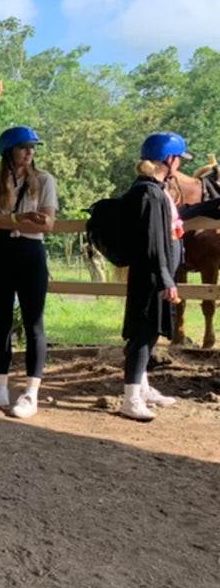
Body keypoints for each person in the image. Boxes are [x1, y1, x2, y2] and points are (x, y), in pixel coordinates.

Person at [0, 126, 57, 419]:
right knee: (1, 322)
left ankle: (30, 393)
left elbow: (46, 224)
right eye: (23, 147)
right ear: (8, 152)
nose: (29, 152)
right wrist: (19, 219)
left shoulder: (45, 180)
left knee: (34, 322)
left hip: (30, 254)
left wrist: (5, 221)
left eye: (33, 147)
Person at [118, 132, 188, 421]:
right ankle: (130, 398)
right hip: (153, 276)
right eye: (179, 159)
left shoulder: (155, 190)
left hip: (156, 273)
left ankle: (142, 387)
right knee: (144, 332)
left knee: (150, 331)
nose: (181, 165)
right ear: (168, 159)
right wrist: (165, 279)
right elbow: (153, 241)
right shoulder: (150, 193)